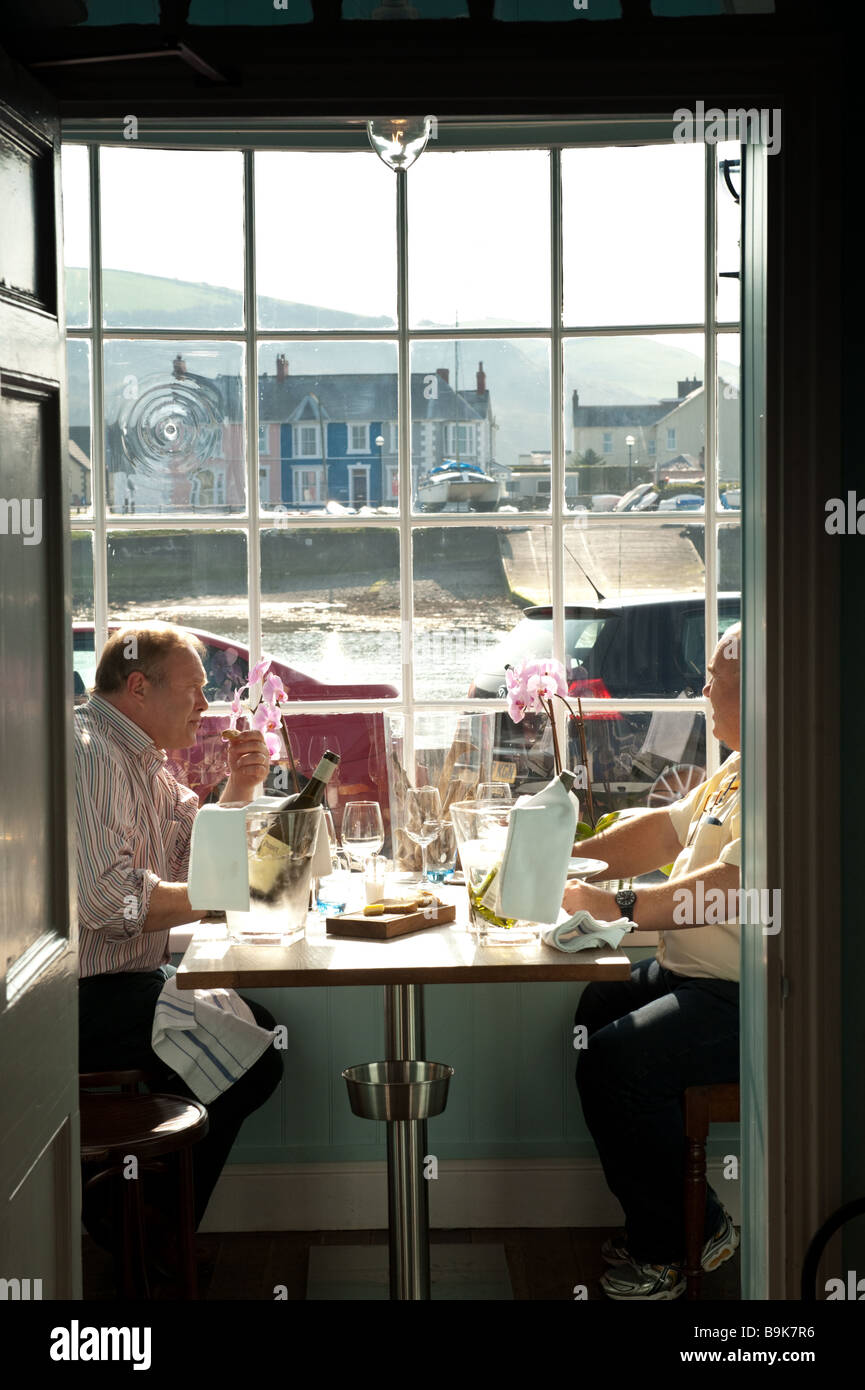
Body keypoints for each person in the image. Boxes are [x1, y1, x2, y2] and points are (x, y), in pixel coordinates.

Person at [75, 622, 284, 1282]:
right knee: (256, 1057)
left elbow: (193, 861)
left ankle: (139, 1218)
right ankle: (132, 1224)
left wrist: (242, 786)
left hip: (124, 980)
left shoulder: (137, 760)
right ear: (138, 687)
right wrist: (224, 887)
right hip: (73, 999)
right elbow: (111, 906)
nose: (205, 706)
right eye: (194, 690)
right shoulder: (90, 755)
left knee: (260, 1036)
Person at [562, 623, 742, 1300]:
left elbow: (728, 892)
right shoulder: (736, 766)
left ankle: (675, 1243)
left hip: (741, 994)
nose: (702, 690)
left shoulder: (783, 772)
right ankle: (670, 1218)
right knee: (595, 1010)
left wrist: (623, 905)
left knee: (617, 1063)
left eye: (716, 681)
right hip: (690, 976)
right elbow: (664, 828)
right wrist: (565, 853)